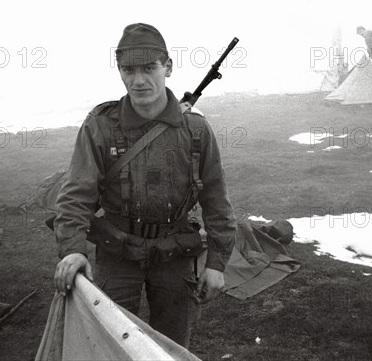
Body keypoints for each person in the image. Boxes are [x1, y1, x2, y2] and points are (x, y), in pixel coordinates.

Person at [52, 23, 237, 348]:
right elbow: (75, 196)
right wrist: (73, 250)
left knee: (171, 347)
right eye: (129, 70)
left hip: (175, 253)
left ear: (167, 67)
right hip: (117, 252)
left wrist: (216, 264)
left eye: (149, 68)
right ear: (120, 71)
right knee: (109, 343)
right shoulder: (101, 126)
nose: (139, 80)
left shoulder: (196, 130)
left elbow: (216, 200)